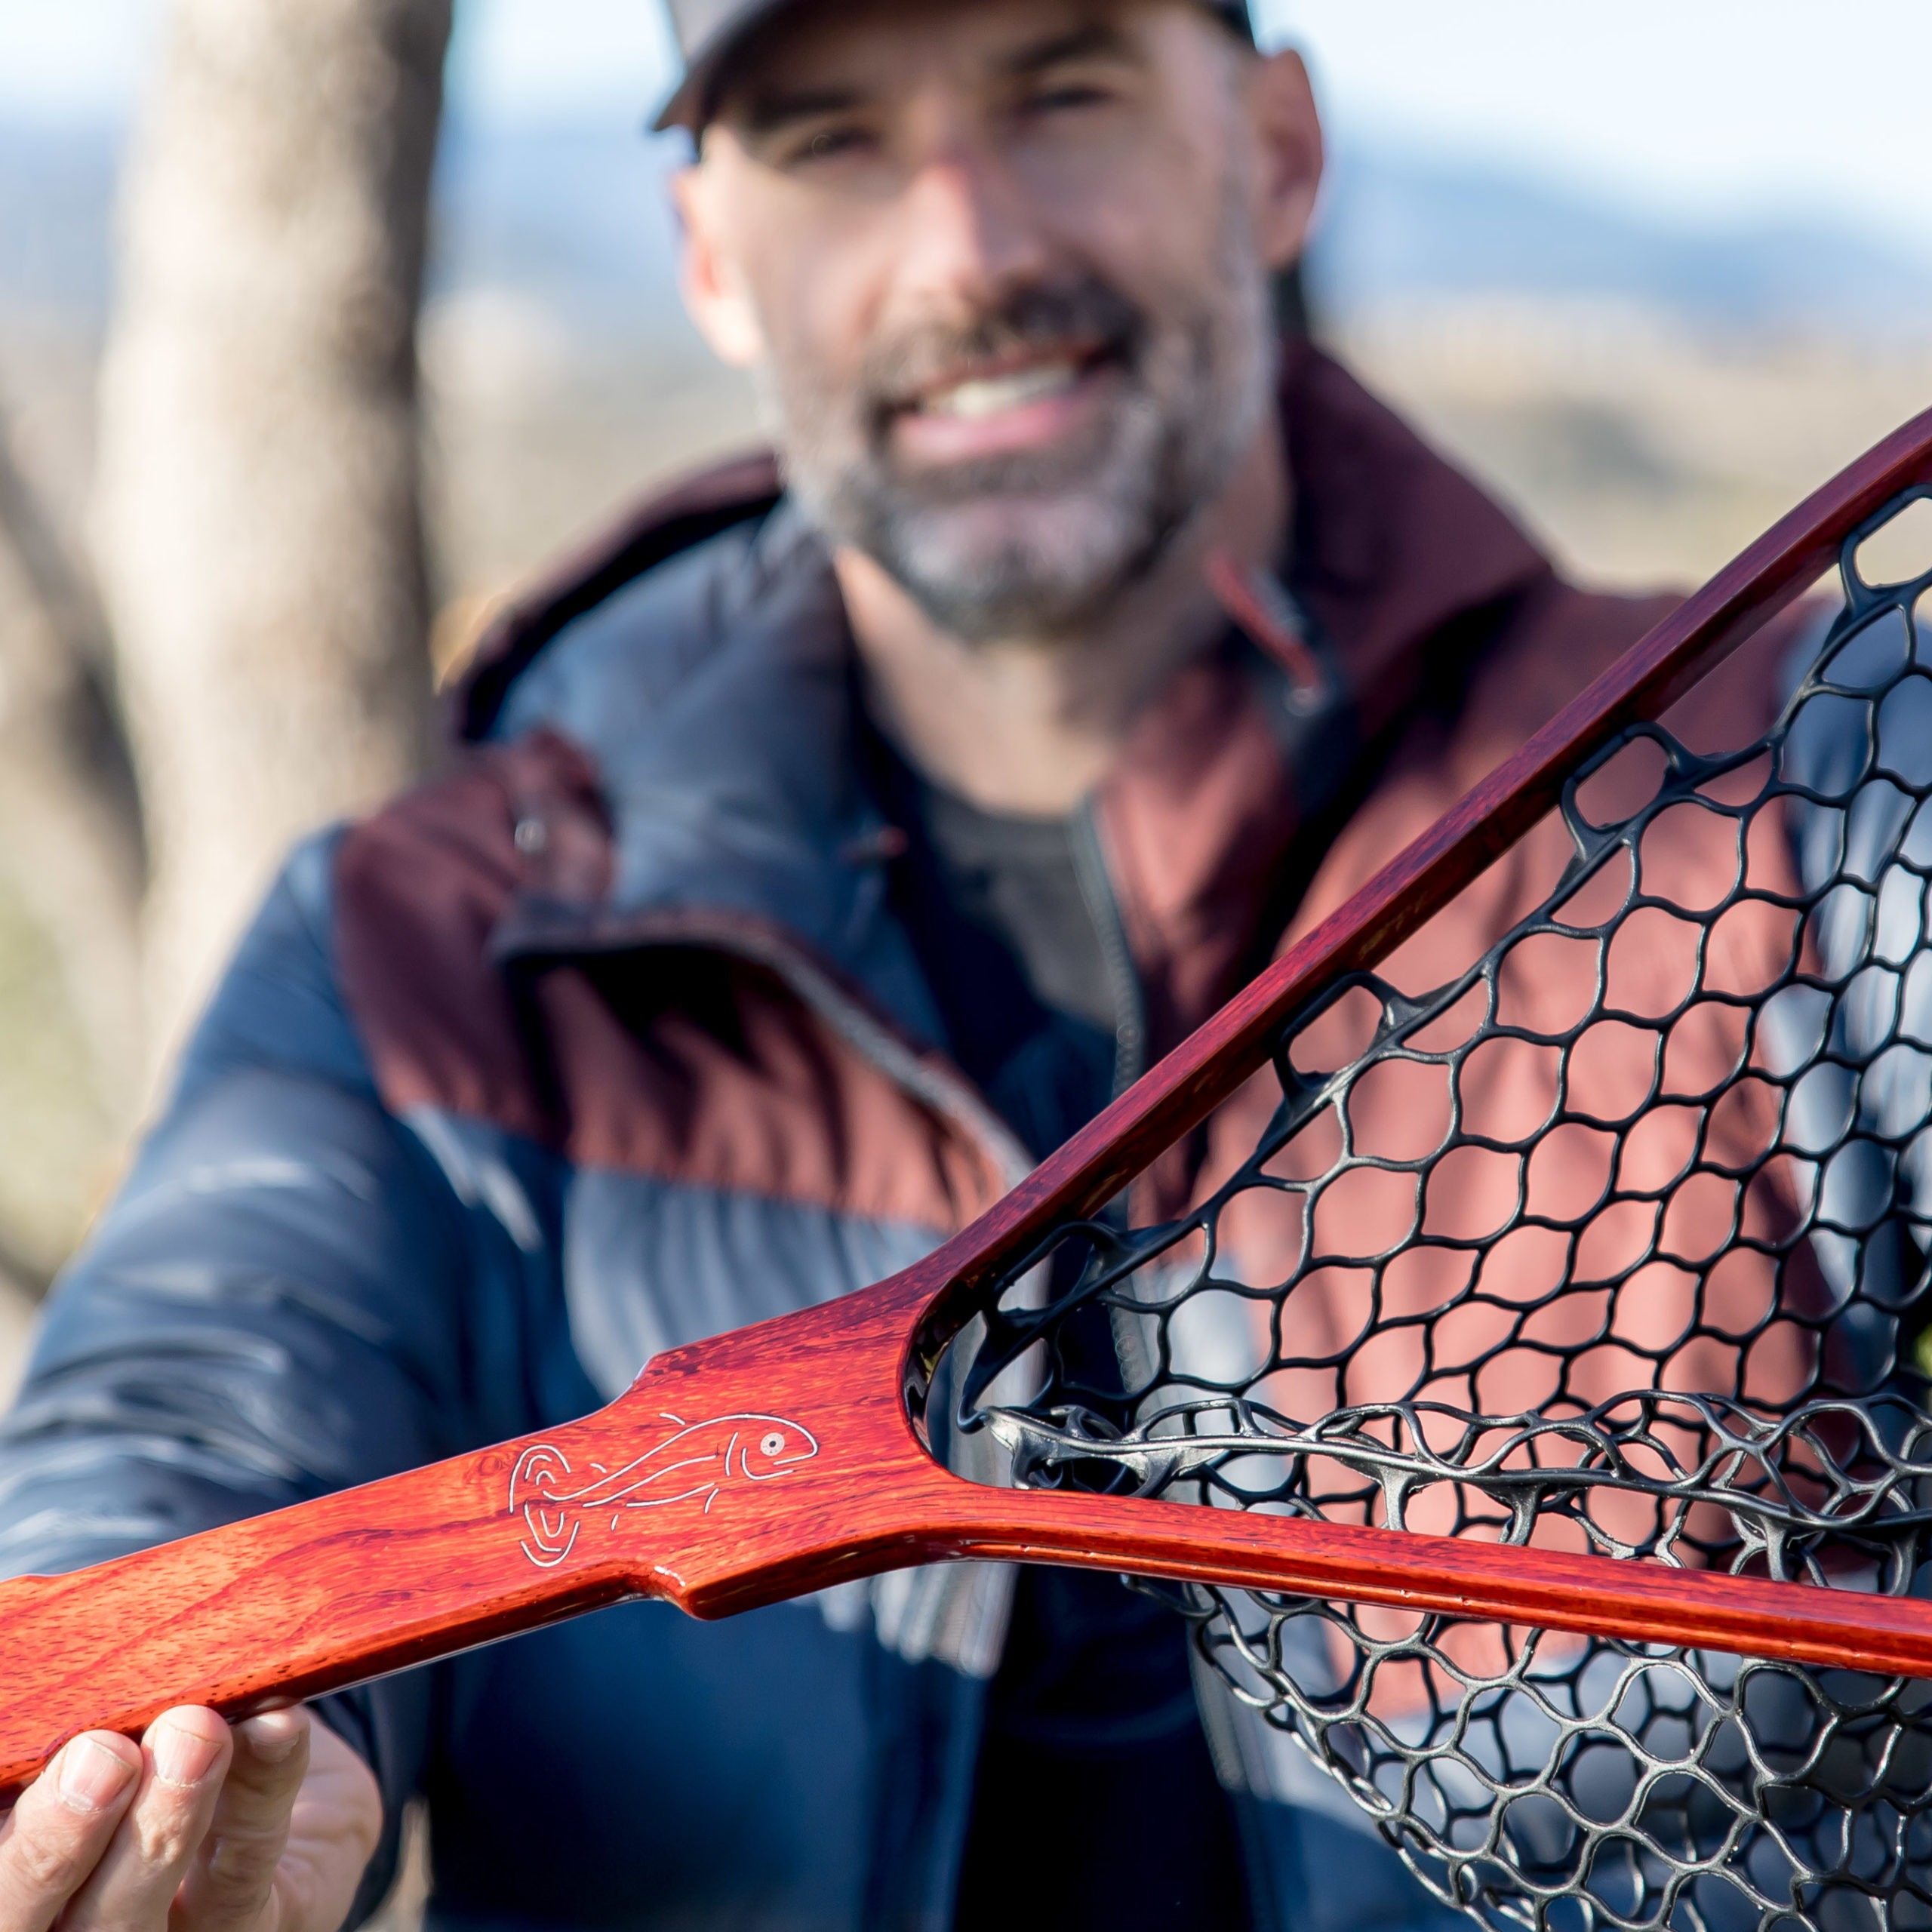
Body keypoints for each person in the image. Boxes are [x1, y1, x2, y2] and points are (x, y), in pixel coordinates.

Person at [0, 1, 1774, 1927]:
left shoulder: (1773, 778)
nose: (967, 251)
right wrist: (157, 1735)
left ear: (1273, 149)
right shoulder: (425, 949)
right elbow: (185, 1420)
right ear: (709, 261)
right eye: (832, 140)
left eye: (1063, 92)